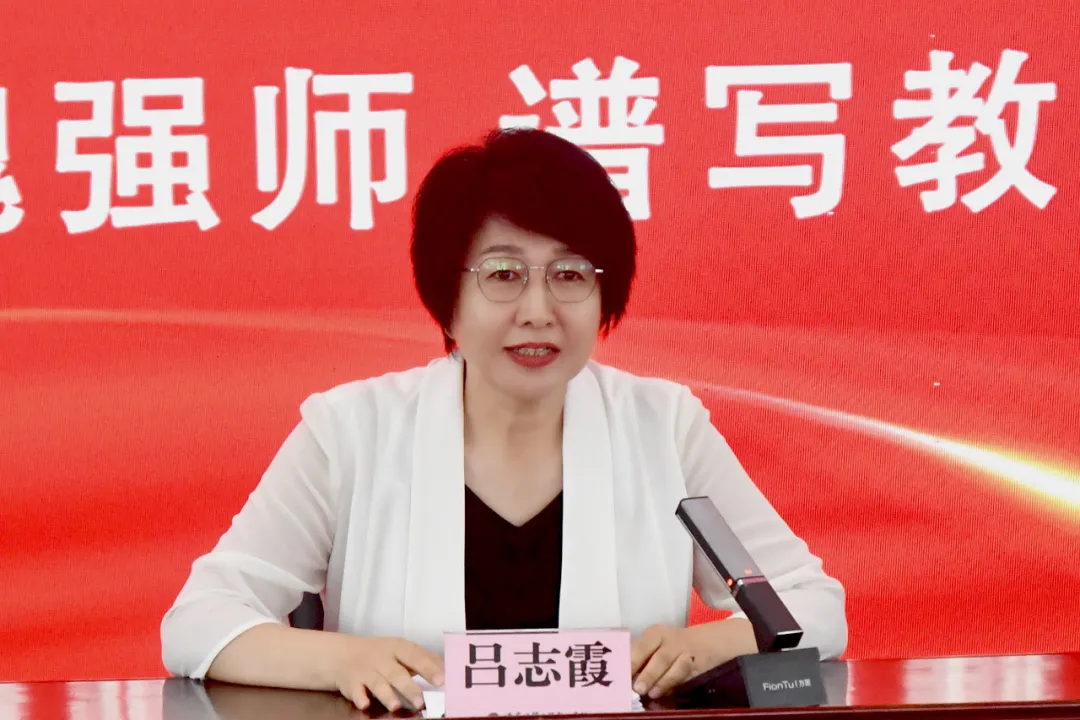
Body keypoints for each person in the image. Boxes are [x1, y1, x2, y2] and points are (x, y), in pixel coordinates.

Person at [160, 127, 847, 712]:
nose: (538, 312)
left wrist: (712, 643)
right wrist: (341, 660)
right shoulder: (350, 432)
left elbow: (815, 606)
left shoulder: (664, 426)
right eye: (503, 274)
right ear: (447, 297)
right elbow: (200, 621)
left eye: (570, 275)